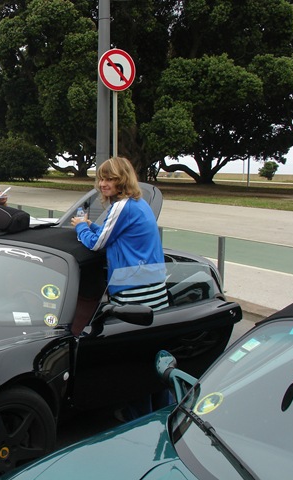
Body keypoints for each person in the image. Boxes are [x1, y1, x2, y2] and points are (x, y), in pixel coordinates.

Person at [71, 156, 169, 420]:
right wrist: (93, 226)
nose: (103, 184)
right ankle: (162, 411)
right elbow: (112, 232)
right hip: (155, 290)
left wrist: (81, 227)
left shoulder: (122, 206)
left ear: (122, 180)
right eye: (101, 178)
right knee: (153, 357)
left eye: (109, 179)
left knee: (132, 362)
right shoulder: (140, 204)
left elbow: (96, 244)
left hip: (133, 291)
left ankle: (137, 417)